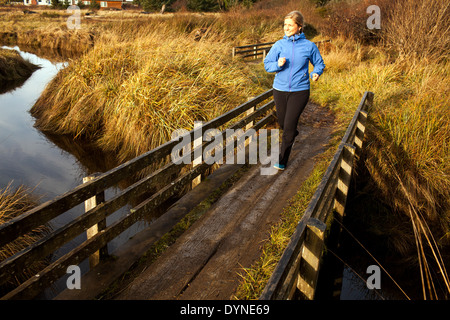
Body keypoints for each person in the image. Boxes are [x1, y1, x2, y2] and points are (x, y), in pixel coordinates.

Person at [264, 11, 325, 171]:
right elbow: (267, 64)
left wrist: (315, 73)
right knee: (284, 123)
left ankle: (282, 160)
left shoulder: (309, 46)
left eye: (290, 25)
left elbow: (319, 63)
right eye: (285, 25)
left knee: (289, 126)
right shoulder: (279, 45)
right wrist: (278, 64)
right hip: (279, 90)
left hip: (300, 90)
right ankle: (291, 133)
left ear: (299, 27)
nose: (286, 28)